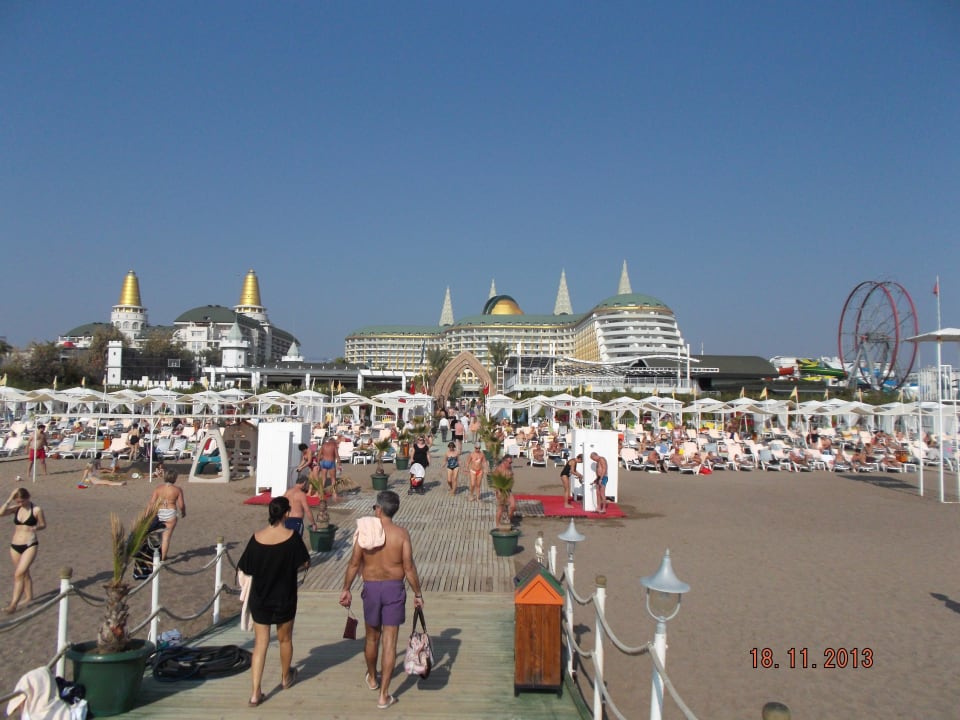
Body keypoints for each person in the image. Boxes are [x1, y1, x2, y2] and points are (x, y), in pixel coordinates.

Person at [339, 491, 423, 711]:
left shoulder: (366, 532)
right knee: (390, 643)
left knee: (371, 638)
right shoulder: (401, 534)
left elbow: (354, 564)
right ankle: (384, 695)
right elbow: (409, 568)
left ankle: (373, 678)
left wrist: (346, 588)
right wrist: (418, 594)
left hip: (371, 588)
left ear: (378, 509)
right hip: (394, 588)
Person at [237, 497, 311, 707]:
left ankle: (255, 692)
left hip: (260, 597)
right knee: (284, 640)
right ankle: (286, 678)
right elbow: (305, 562)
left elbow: (245, 567)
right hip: (284, 596)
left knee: (261, 644)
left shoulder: (257, 538)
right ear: (286, 513)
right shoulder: (292, 537)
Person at [2, 488, 46, 614]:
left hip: (30, 544)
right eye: (18, 501)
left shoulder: (36, 510)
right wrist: (10, 498)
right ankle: (28, 596)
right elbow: (1, 513)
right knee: (24, 573)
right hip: (15, 545)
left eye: (22, 501)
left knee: (18, 574)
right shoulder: (16, 508)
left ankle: (13, 605)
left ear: (28, 497)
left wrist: (36, 527)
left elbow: (43, 524)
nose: (20, 503)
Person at [147, 470, 186, 560]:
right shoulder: (177, 490)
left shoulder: (158, 488)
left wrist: (147, 514)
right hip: (170, 512)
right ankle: (163, 558)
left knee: (156, 535)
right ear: (174, 478)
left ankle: (155, 556)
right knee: (166, 537)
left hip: (159, 511)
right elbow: (181, 505)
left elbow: (151, 503)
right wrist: (183, 512)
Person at [319, 436, 340, 502]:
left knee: (323, 478)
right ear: (333, 441)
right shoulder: (334, 446)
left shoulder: (323, 445)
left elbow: (319, 455)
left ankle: (320, 493)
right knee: (333, 479)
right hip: (331, 462)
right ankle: (334, 494)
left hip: (324, 462)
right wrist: (339, 464)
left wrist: (317, 463)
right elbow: (337, 455)